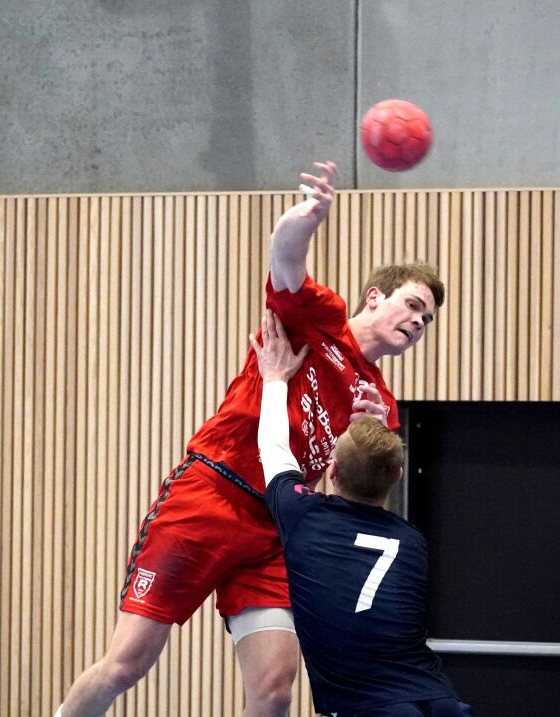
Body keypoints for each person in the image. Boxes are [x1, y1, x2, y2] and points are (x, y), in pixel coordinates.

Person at [56, 161, 445, 717]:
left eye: (427, 320)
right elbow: (284, 256)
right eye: (412, 304)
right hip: (210, 496)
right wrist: (309, 215)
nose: (417, 322)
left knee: (274, 690)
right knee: (127, 665)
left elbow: (357, 491)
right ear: (375, 297)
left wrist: (369, 434)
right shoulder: (322, 320)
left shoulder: (377, 401)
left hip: (275, 529)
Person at [252, 309, 473, 717]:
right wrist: (376, 436)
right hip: (438, 698)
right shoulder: (413, 543)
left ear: (330, 471)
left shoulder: (303, 516)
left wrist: (274, 379)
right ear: (399, 477)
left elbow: (274, 447)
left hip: (368, 705)